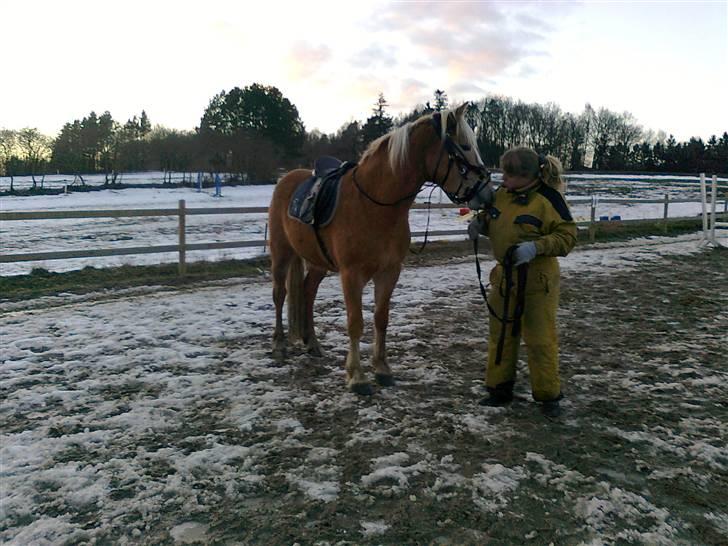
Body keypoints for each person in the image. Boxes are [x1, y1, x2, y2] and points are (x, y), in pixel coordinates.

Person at [468, 147, 577, 417]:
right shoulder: (501, 196)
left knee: (540, 338)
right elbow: (492, 219)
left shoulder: (549, 199)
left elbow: (568, 236)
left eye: (508, 174)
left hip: (538, 281)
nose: (502, 178)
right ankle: (499, 389)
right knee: (501, 335)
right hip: (505, 277)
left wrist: (536, 247)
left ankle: (548, 396)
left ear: (526, 176)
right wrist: (479, 225)